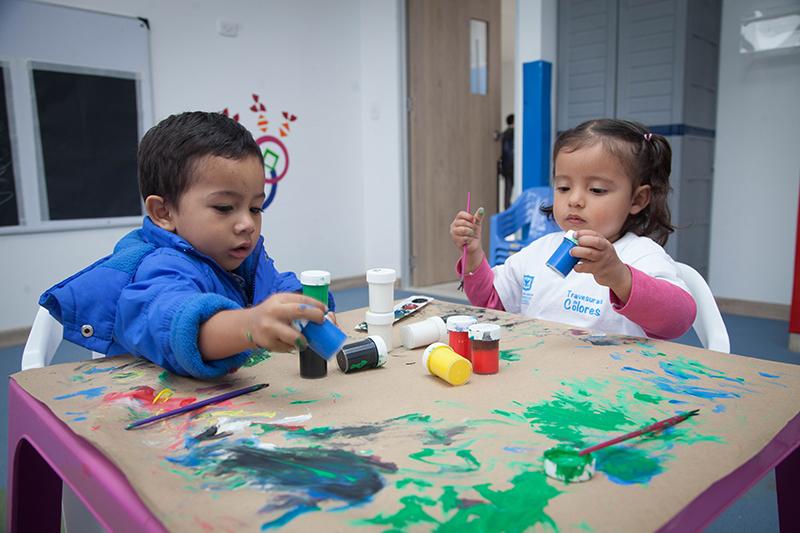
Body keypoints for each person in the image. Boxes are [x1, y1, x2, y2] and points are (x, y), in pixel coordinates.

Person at [40, 111, 332, 378]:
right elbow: (174, 322)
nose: (247, 224)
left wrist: (299, 304)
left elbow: (273, 287)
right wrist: (249, 325)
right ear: (164, 212)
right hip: (160, 412)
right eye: (224, 207)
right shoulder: (159, 266)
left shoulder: (243, 254)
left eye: (256, 208)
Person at [450, 118, 696, 339]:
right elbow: (491, 302)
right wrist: (473, 254)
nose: (574, 200)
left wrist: (620, 277)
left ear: (637, 200)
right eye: (564, 187)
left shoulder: (640, 254)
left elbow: (678, 321)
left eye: (597, 190)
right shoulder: (539, 251)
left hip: (611, 383)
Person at [497, 114, 514, 210]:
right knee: (508, 193)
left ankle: (508, 210)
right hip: (510, 168)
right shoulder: (512, 134)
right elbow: (509, 152)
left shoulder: (505, 135)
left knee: (508, 192)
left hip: (507, 168)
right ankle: (508, 211)